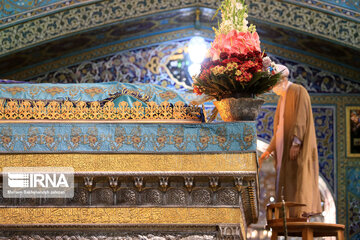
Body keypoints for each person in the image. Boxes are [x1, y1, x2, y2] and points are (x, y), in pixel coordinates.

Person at [259, 64, 322, 218]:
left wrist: (296, 142)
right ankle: (289, 218)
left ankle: (298, 215)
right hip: (285, 152)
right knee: (287, 184)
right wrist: (269, 149)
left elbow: (300, 118)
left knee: (298, 181)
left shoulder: (297, 90)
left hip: (295, 149)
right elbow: (280, 129)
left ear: (281, 80)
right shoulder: (282, 99)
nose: (273, 89)